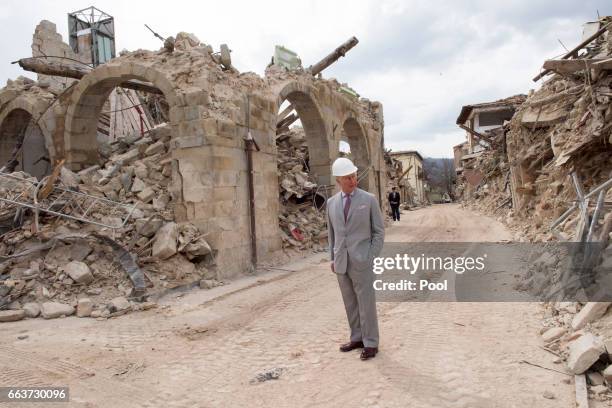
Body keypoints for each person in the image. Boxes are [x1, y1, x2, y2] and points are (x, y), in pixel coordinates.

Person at [326, 157, 385, 360]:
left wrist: (371, 256)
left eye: (353, 176)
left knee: (366, 303)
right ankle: (357, 338)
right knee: (350, 302)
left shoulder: (368, 200)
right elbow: (332, 234)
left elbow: (379, 231)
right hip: (341, 262)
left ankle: (371, 343)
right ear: (338, 180)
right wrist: (332, 258)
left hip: (363, 261)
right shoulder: (331, 203)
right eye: (348, 178)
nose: (353, 180)